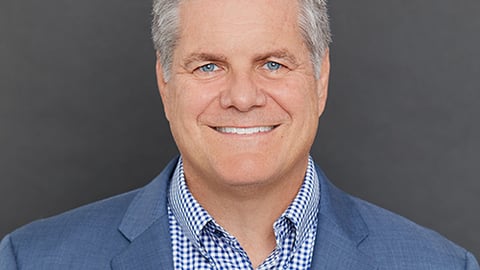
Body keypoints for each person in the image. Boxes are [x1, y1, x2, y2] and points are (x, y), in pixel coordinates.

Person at [0, 0, 478, 269]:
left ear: (321, 79)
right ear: (165, 85)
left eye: (273, 64)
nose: (243, 97)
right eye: (209, 66)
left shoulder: (440, 265)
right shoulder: (32, 261)